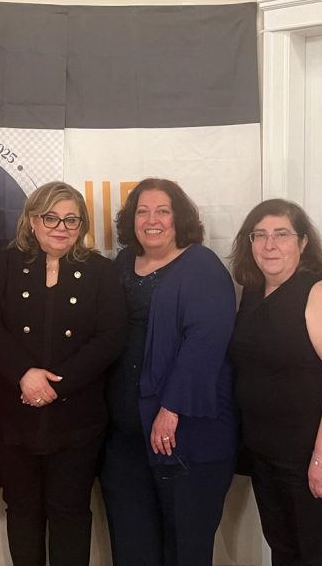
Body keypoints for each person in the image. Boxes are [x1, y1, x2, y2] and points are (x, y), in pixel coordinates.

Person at [0, 181, 126, 566]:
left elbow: (111, 337)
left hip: (77, 416)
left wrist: (56, 385)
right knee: (22, 509)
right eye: (51, 218)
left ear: (82, 225)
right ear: (32, 220)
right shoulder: (5, 265)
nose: (61, 227)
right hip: (15, 411)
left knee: (69, 511)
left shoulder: (101, 271)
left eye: (71, 219)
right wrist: (24, 374)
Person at [100, 178, 238, 566]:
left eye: (163, 211)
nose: (152, 220)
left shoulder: (202, 267)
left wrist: (171, 408)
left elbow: (205, 344)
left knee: (185, 546)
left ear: (179, 218)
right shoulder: (122, 264)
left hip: (184, 434)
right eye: (143, 211)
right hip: (125, 436)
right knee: (131, 544)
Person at [228, 198, 322, 566]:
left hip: (310, 455)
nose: (269, 245)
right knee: (283, 550)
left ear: (303, 242)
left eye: (282, 234)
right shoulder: (253, 291)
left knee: (317, 555)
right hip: (265, 451)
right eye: (260, 235)